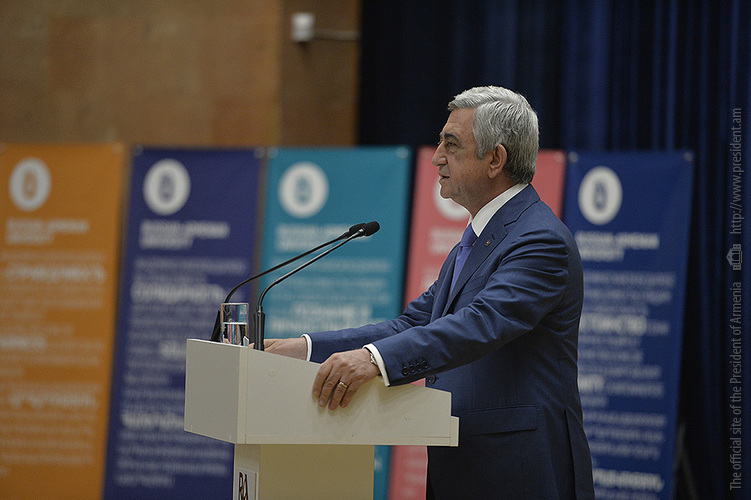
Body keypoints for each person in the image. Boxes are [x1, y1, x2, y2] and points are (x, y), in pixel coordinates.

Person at [265, 86, 595, 499]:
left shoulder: (540, 240)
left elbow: (479, 324)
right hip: (464, 463)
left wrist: (373, 361)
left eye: (451, 145)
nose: (437, 156)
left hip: (520, 470)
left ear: (495, 159)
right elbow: (411, 324)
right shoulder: (474, 241)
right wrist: (303, 350)